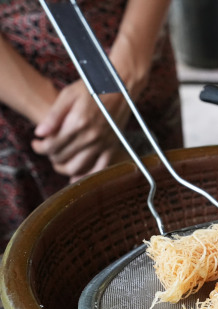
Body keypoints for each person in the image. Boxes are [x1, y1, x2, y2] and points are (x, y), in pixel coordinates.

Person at [0, 0, 183, 251]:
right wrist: (64, 125)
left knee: (170, 232)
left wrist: (127, 71)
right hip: (12, 95)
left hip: (137, 51)